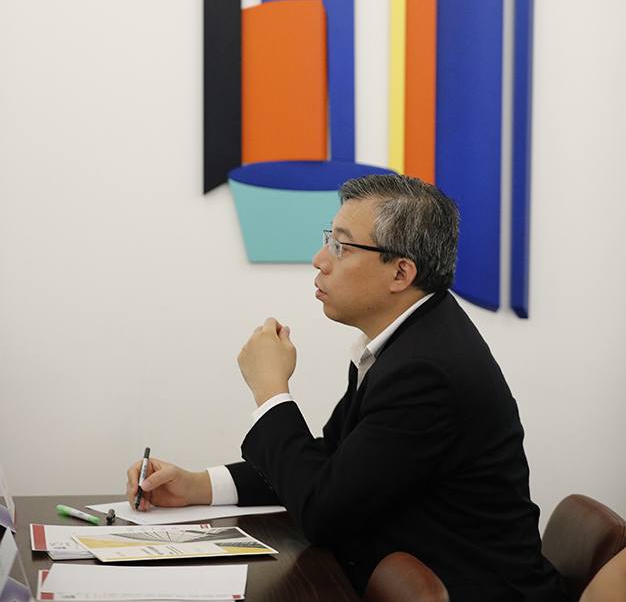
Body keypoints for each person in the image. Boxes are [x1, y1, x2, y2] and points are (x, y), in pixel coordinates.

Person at [127, 174, 566, 601]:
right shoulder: (410, 339)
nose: (319, 259)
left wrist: (271, 393)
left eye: (341, 246)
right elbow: (332, 465)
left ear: (400, 273)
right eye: (328, 239)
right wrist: (197, 486)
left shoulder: (427, 370)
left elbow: (322, 511)